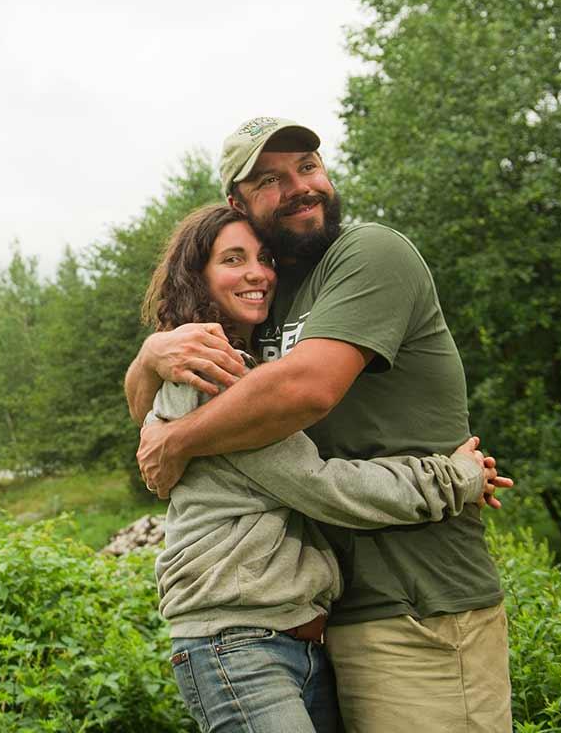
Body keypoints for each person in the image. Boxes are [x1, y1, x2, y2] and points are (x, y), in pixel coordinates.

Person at [127, 116, 512, 732]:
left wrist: (174, 438)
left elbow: (305, 390)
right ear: (240, 203)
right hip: (330, 617)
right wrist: (148, 358)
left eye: (308, 165)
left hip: (422, 601)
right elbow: (178, 419)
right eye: (271, 179)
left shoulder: (369, 253)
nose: (301, 185)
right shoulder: (255, 316)